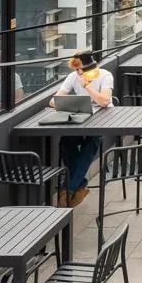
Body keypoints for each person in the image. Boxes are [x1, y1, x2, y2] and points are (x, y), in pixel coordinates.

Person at [54, 50, 113, 207]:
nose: (78, 73)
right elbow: (54, 100)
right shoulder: (73, 77)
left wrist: (87, 86)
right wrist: (65, 103)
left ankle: (68, 189)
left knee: (93, 141)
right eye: (76, 70)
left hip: (103, 118)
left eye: (80, 70)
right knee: (66, 142)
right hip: (80, 118)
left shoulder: (105, 76)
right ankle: (79, 184)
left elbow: (104, 101)